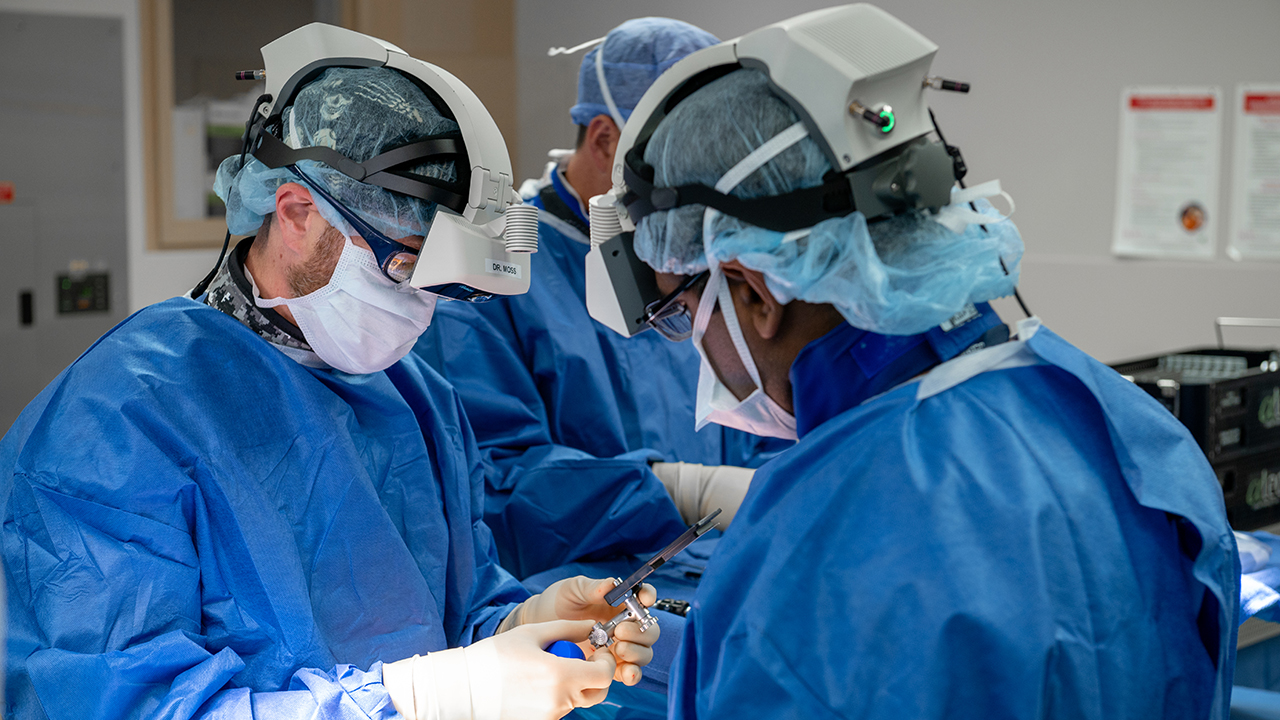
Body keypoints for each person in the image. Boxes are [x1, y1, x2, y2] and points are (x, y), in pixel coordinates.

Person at [595, 7, 1240, 718]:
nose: (695, 344)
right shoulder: (1132, 430)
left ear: (752, 291)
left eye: (685, 310)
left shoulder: (810, 546)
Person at [0, 26, 657, 720]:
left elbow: (449, 615)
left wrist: (516, 627)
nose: (418, 309)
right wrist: (432, 698)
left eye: (438, 284)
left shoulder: (417, 400)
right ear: (296, 213)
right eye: (403, 268)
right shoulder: (115, 424)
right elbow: (123, 705)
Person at [413, 17, 786, 586]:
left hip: (731, 566)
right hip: (589, 599)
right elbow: (494, 482)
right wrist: (680, 492)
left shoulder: (691, 255)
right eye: (682, 158)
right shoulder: (497, 275)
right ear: (607, 139)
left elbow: (760, 411)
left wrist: (780, 488)